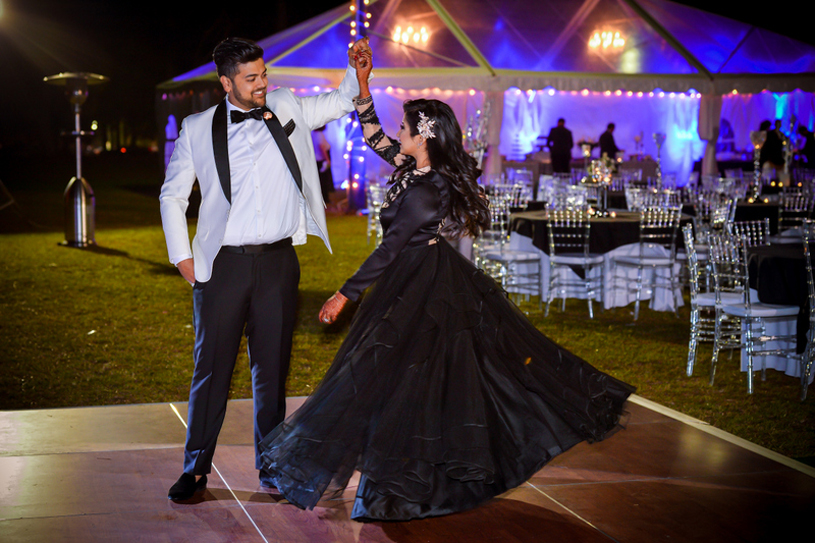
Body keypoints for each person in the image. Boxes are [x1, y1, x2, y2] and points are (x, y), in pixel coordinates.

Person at [258, 44, 635, 522]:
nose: (397, 132)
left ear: (423, 136)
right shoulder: (414, 168)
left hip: (421, 287)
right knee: (399, 377)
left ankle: (398, 484)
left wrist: (343, 294)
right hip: (413, 280)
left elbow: (389, 248)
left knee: (387, 374)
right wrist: (363, 83)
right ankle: (400, 479)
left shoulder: (425, 190)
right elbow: (374, 137)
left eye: (404, 127)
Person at [160, 36, 369, 501]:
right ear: (226, 82)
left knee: (272, 372)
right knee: (210, 371)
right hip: (222, 268)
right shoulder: (196, 128)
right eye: (251, 78)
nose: (262, 83)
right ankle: (195, 469)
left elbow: (339, 102)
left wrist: (357, 73)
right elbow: (172, 195)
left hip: (278, 264)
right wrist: (184, 258)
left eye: (264, 74)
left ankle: (271, 466)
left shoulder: (286, 105)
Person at [312, 125, 335, 204]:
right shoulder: (319, 134)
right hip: (321, 160)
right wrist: (327, 159)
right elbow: (321, 146)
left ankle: (323, 198)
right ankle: (325, 198)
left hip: (317, 159)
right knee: (323, 181)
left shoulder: (313, 134)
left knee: (320, 180)